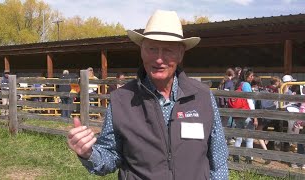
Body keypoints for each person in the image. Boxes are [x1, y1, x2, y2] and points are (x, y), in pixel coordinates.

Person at [67, 10, 228, 180]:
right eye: (152, 48)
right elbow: (111, 156)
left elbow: (218, 160)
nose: (159, 59)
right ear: (142, 51)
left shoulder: (202, 97)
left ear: (180, 54)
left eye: (168, 50)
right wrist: (89, 153)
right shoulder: (121, 100)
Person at [232, 67, 258, 164]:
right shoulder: (246, 85)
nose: (252, 78)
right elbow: (250, 101)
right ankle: (249, 158)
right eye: (251, 76)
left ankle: (236, 155)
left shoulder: (238, 85)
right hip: (247, 114)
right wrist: (254, 116)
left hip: (238, 114)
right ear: (246, 76)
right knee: (249, 138)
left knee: (239, 137)